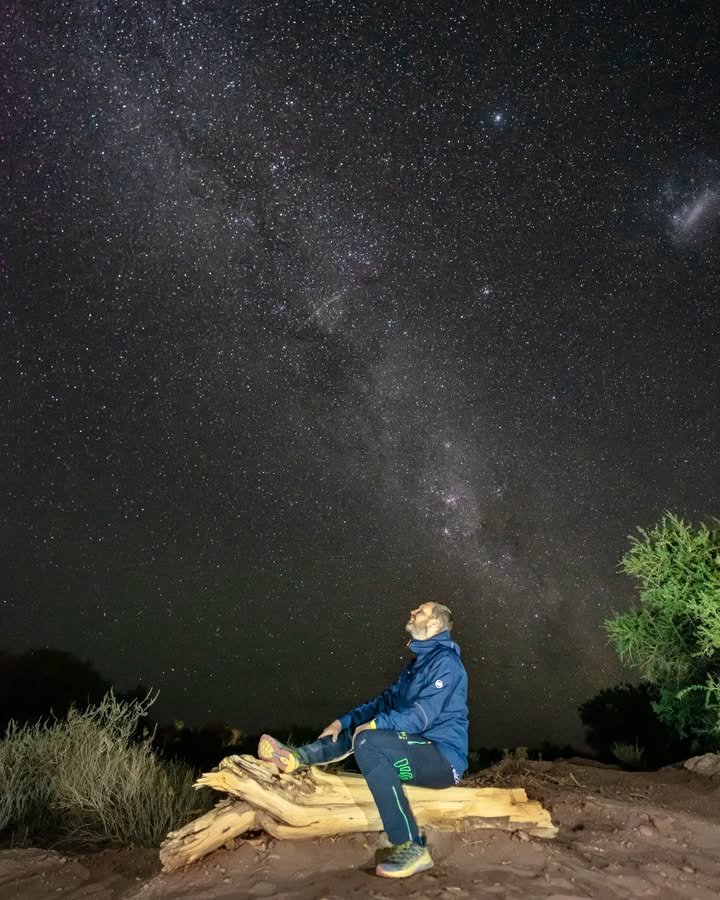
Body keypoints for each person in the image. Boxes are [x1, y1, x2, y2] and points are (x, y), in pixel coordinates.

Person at [258, 601, 469, 879]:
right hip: (413, 749)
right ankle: (296, 757)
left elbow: (421, 716)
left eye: (421, 610)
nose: (412, 611)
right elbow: (384, 702)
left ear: (435, 624)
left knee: (369, 737)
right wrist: (343, 721)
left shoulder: (447, 663)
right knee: (363, 729)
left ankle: (410, 845)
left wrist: (373, 726)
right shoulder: (417, 665)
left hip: (442, 758)